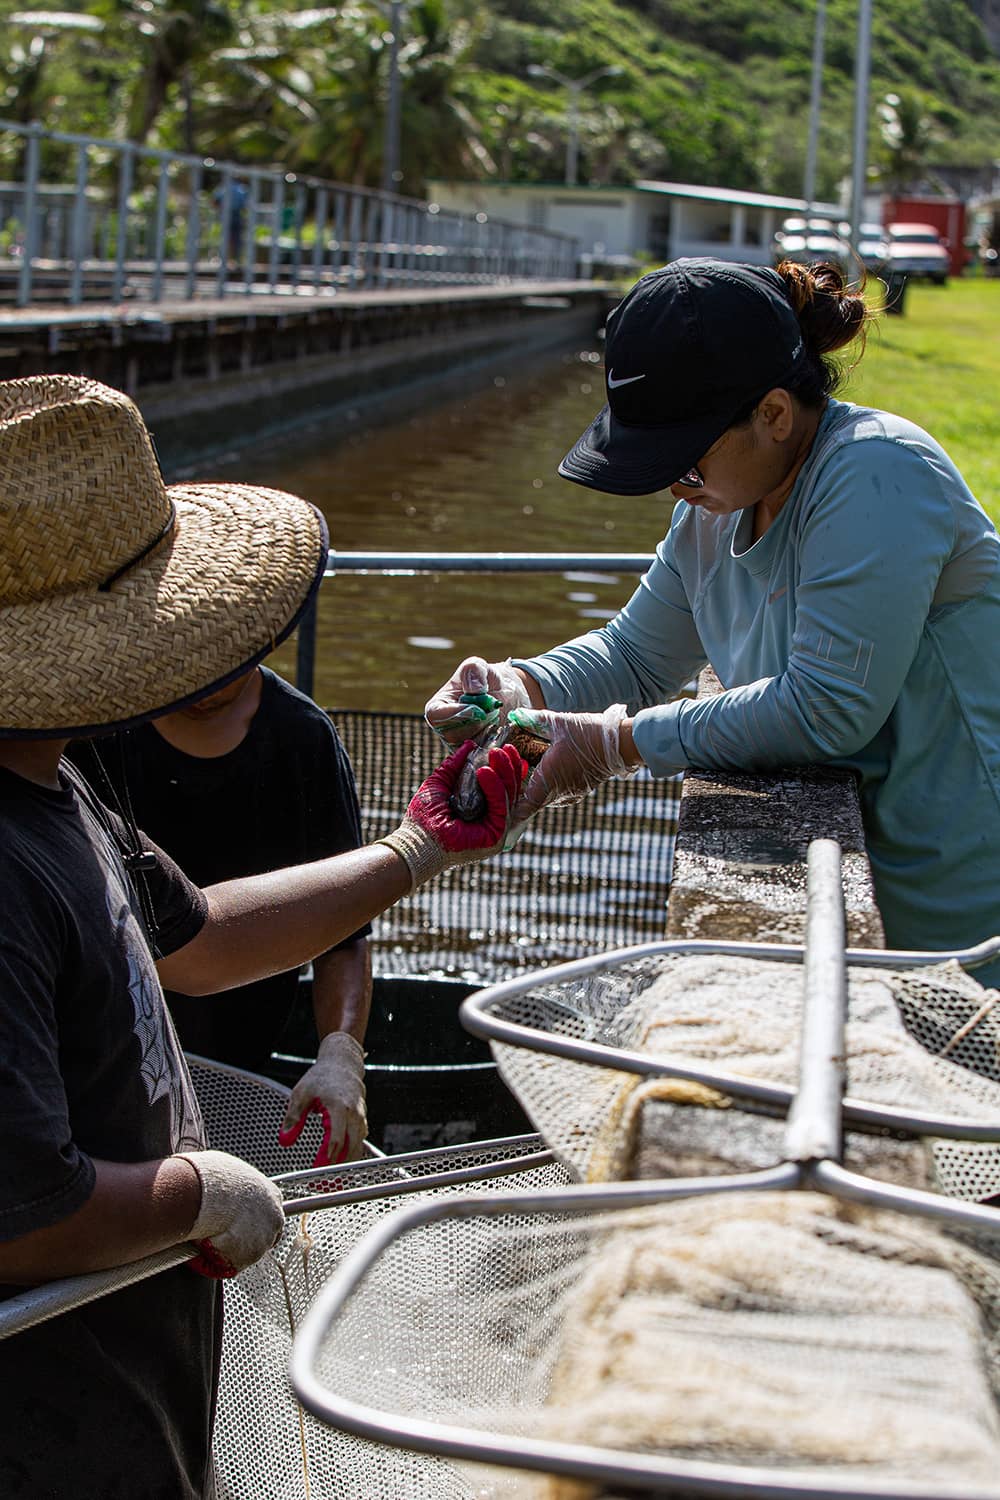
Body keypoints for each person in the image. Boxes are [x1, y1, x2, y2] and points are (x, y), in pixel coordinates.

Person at [0, 372, 527, 1500]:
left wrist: (422, 845)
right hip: (46, 1423)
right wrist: (202, 1190)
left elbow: (200, 941)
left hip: (135, 1376)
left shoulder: (57, 777)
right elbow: (22, 1219)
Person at [427, 257, 1000, 985]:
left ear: (774, 415)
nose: (676, 484)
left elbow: (826, 708)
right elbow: (634, 656)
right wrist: (519, 688)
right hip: (855, 891)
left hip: (963, 913)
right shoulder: (711, 511)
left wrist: (615, 743)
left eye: (687, 463)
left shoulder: (878, 473)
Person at [70, 663, 374, 1167]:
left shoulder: (304, 738)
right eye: (187, 664)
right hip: (114, 1049)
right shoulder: (97, 731)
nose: (202, 682)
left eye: (221, 667)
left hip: (247, 1049)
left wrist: (341, 1053)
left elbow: (347, 930)